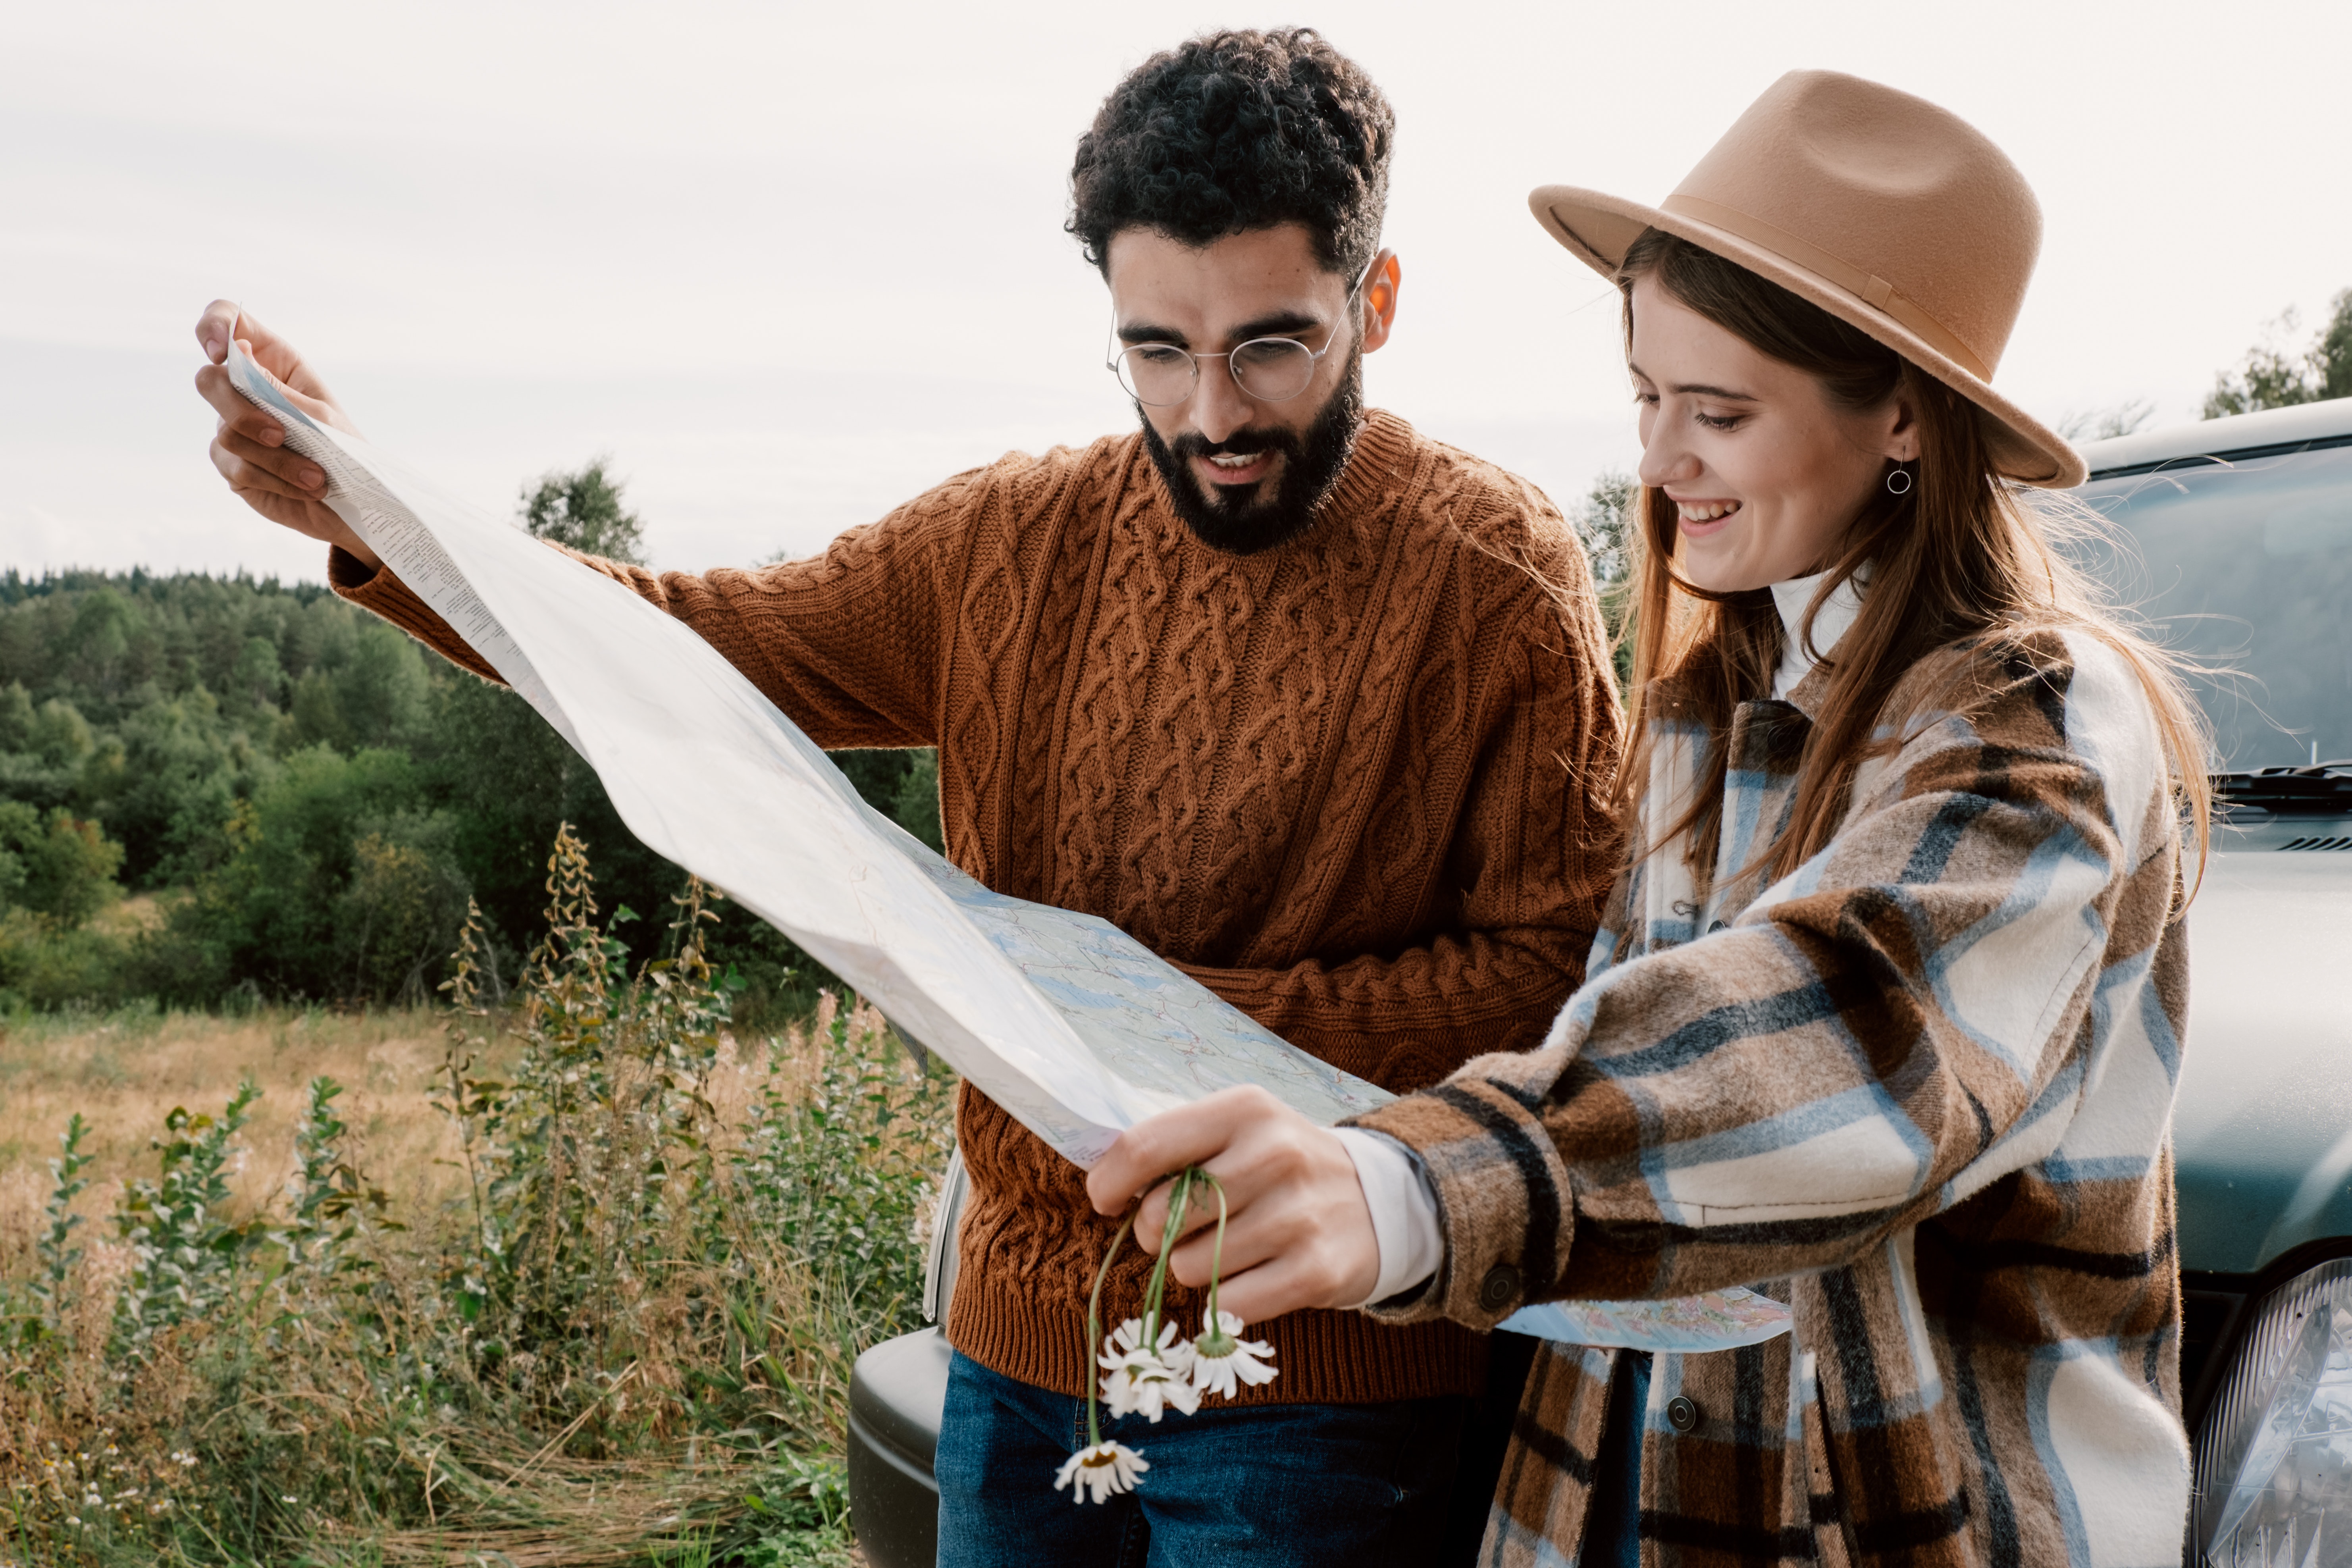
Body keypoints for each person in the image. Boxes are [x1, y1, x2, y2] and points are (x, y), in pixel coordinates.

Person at [191, 28, 1626, 1567]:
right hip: (1010, 1366)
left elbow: (1550, 974)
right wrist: (382, 517)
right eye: (1155, 348)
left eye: (1270, 346)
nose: (1210, 412)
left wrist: (1146, 1031)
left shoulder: (1498, 573)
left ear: (1376, 303)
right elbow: (690, 640)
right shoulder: (1008, 543)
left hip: (1333, 1386)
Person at [1087, 69, 2208, 1567]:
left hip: (1902, 1520)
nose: (1660, 462)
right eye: (1648, 398)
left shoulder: (2037, 724)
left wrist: (1419, 1183)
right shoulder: (1709, 708)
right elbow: (1617, 1035)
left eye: (1722, 412)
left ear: (1901, 420)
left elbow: (1848, 1032)